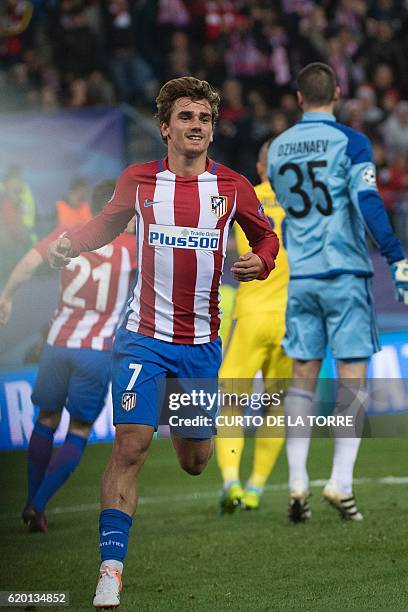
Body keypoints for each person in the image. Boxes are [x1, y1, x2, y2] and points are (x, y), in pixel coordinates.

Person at [46, 76, 279, 610]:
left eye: (204, 119)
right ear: (165, 127)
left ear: (211, 129)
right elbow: (106, 225)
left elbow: (267, 237)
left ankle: (178, 416)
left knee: (196, 460)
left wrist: (260, 261)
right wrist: (69, 244)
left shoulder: (233, 187)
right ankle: (110, 573)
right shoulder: (138, 180)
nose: (196, 127)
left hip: (199, 344)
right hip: (142, 339)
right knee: (130, 445)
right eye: (186, 118)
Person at [268, 62, 408, 524]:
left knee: (302, 376)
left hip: (302, 277)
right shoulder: (353, 142)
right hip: (346, 273)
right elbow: (367, 201)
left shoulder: (279, 148)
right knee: (352, 379)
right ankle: (341, 484)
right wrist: (394, 255)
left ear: (298, 96)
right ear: (338, 92)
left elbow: (288, 208)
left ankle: (296, 480)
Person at [0, 180, 137, 533]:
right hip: (96, 352)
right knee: (79, 428)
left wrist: (7, 295)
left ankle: (32, 503)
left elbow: (30, 263)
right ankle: (38, 503)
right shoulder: (131, 247)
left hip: (57, 345)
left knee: (45, 419)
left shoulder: (67, 233)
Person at [216, 139, 292, 512]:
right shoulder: (306, 203)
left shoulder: (248, 197)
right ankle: (257, 487)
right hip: (291, 321)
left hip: (252, 314)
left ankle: (231, 481)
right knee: (276, 406)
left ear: (262, 168)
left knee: (231, 403)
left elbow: (235, 248)